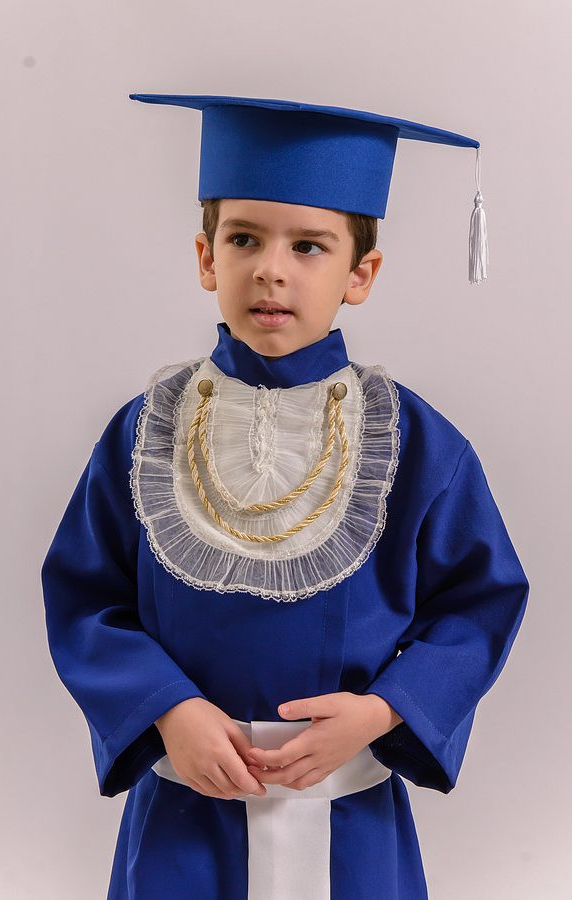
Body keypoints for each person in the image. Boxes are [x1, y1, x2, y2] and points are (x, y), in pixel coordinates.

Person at [41, 95, 529, 899]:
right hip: (187, 806)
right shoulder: (145, 433)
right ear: (206, 259)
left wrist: (383, 711)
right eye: (243, 239)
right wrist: (168, 709)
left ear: (359, 274)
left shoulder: (411, 441)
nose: (271, 268)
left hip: (347, 811)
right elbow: (86, 598)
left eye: (308, 246)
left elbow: (478, 602)